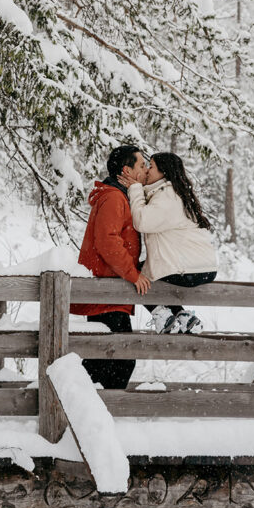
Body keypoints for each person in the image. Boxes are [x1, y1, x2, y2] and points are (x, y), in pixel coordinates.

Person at [70, 144, 151, 388]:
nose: (146, 170)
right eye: (142, 165)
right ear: (127, 170)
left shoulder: (119, 196)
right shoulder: (115, 198)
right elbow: (107, 241)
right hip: (106, 294)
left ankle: (86, 409)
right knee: (118, 359)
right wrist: (133, 274)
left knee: (105, 359)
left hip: (110, 293)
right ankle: (91, 410)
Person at [120, 152, 216, 334]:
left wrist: (135, 189)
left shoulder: (168, 196)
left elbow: (142, 221)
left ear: (163, 172)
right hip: (201, 268)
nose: (147, 170)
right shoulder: (173, 194)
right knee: (149, 271)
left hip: (188, 270)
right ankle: (183, 317)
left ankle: (161, 315)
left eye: (152, 166)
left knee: (133, 273)